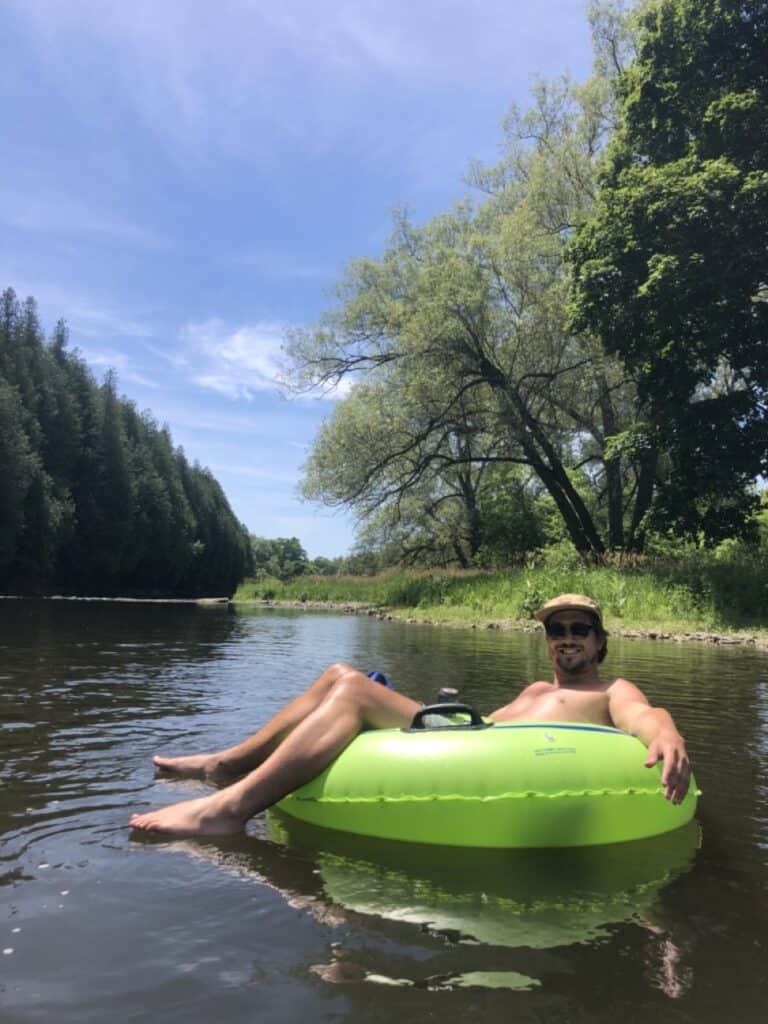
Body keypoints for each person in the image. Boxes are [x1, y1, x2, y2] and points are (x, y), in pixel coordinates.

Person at [129, 593, 691, 837]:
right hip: (473, 735)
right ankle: (226, 765)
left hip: (490, 750)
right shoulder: (535, 686)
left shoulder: (611, 686)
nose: (566, 639)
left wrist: (664, 730)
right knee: (338, 672)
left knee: (351, 692)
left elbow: (645, 713)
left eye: (578, 630)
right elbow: (480, 727)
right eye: (556, 630)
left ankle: (227, 810)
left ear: (598, 642)